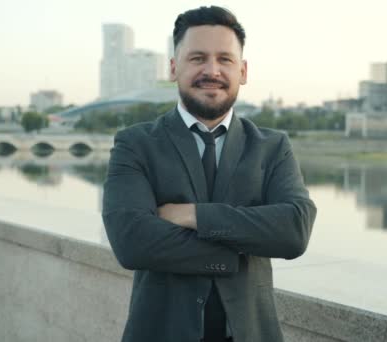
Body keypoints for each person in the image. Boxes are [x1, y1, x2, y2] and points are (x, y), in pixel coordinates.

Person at [102, 6, 316, 342]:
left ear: (243, 71)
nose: (211, 70)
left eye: (225, 59)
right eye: (197, 58)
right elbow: (132, 243)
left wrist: (193, 215)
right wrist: (241, 248)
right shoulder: (136, 144)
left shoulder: (273, 147)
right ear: (174, 68)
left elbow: (294, 231)